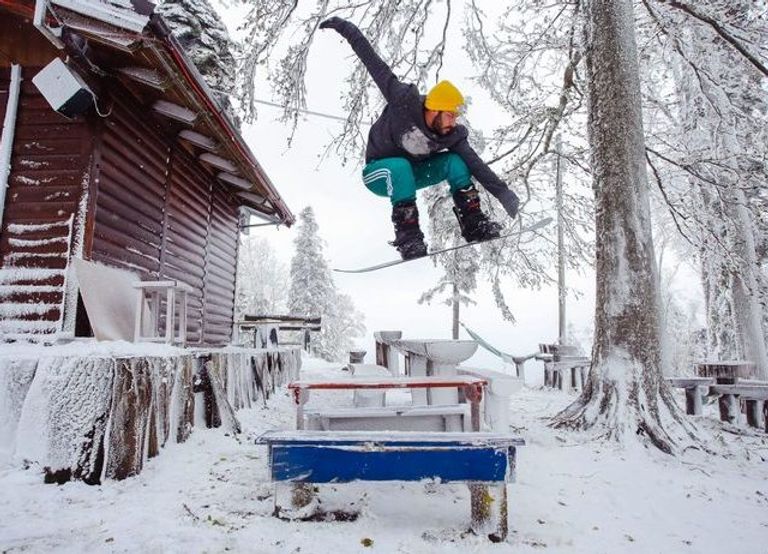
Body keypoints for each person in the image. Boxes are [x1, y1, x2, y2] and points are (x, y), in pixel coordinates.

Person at [319, 16, 520, 260]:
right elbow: (373, 62)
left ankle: (474, 223)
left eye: (455, 117)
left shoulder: (451, 135)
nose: (453, 122)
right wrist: (345, 27)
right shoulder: (403, 99)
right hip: (378, 174)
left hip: (413, 175)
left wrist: (504, 194)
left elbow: (475, 164)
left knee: (457, 161)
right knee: (400, 166)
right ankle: (409, 238)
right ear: (434, 109)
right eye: (449, 116)